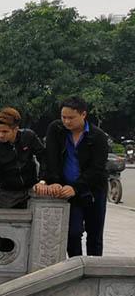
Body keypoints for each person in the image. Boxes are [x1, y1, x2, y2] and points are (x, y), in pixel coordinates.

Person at [38, 96, 110, 257]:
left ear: (83, 114)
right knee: (72, 233)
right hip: (67, 191)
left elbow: (97, 169)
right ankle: (75, 266)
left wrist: (76, 187)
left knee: (94, 235)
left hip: (93, 190)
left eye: (71, 118)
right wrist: (53, 181)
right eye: (63, 117)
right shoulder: (56, 129)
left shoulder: (97, 136)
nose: (66, 121)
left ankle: (94, 268)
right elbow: (50, 158)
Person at [0, 107, 44, 215]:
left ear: (15, 129)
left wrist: (43, 180)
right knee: (7, 224)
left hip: (31, 189)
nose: (0, 135)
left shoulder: (28, 136)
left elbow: (44, 158)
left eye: (5, 131)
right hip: (8, 194)